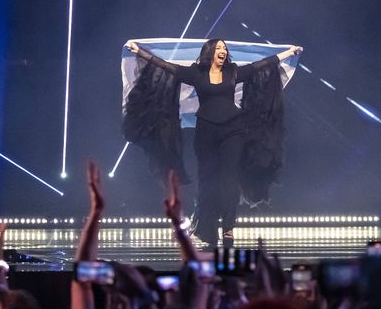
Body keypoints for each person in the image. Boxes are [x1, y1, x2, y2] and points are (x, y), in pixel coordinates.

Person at [125, 38, 301, 247]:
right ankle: (208, 230)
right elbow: (164, 65)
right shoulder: (195, 74)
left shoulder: (234, 72)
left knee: (229, 179)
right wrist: (139, 51)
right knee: (207, 180)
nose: (223, 51)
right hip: (206, 131)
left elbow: (261, 65)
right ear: (209, 52)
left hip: (233, 130)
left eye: (224, 48)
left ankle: (228, 228)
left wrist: (289, 53)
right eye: (218, 48)